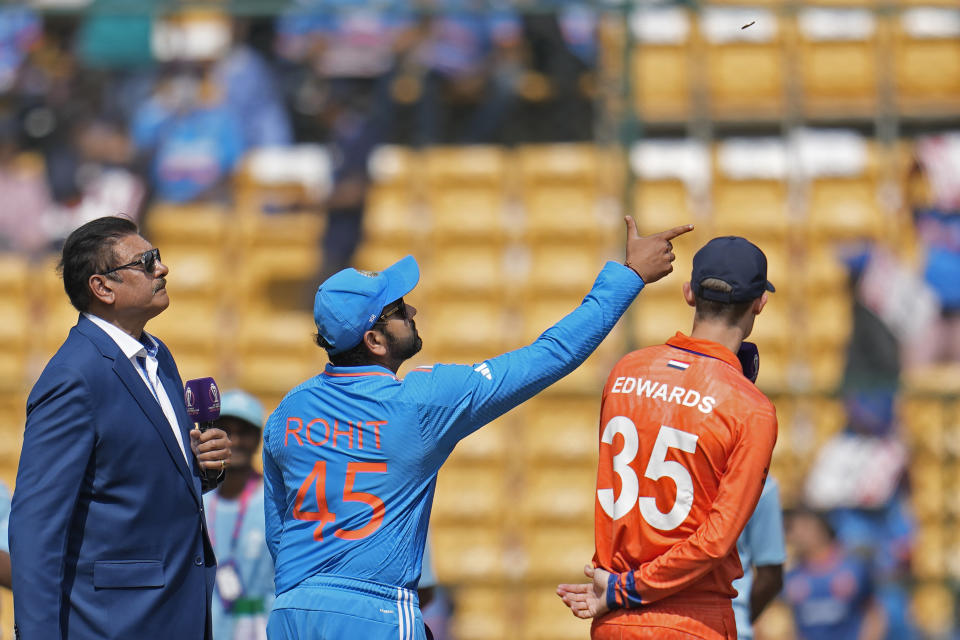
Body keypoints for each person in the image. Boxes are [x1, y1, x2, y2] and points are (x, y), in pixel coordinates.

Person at [262, 218, 693, 640]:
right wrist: (630, 275)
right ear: (374, 341)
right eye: (396, 311)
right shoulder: (422, 401)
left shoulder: (287, 412)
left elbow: (279, 531)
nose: (411, 310)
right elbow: (551, 354)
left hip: (290, 608)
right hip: (374, 611)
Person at [9, 216, 231, 639]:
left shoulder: (159, 357)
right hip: (114, 623)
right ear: (103, 287)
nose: (161, 269)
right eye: (146, 262)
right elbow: (37, 527)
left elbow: (135, 482)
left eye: (158, 258)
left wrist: (204, 467)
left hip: (174, 614)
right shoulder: (73, 377)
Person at [556, 236, 779, 640]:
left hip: (614, 620)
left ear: (689, 293)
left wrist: (623, 590)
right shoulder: (751, 406)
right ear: (760, 302)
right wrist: (631, 590)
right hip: (691, 620)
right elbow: (714, 542)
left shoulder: (625, 371)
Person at [205, 390, 275, 640]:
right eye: (226, 431)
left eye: (244, 432)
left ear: (258, 437)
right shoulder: (198, 501)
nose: (234, 441)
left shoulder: (275, 502)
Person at [783, 507, 887, 640]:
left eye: (805, 526)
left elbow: (874, 613)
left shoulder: (854, 568)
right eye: (791, 529)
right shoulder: (791, 577)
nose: (800, 534)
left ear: (820, 526)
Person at [732, 476, 785, 640]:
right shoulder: (761, 482)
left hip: (664, 624)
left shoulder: (761, 483)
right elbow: (771, 577)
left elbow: (770, 578)